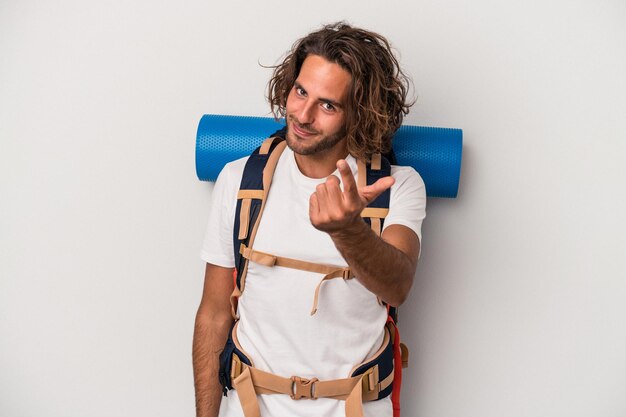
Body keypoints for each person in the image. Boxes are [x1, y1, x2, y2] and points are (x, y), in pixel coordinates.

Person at [193, 22, 426, 417]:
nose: (302, 114)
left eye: (328, 105)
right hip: (250, 405)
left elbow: (398, 285)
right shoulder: (239, 180)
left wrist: (347, 230)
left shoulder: (396, 186)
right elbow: (214, 313)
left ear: (360, 114)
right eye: (301, 91)